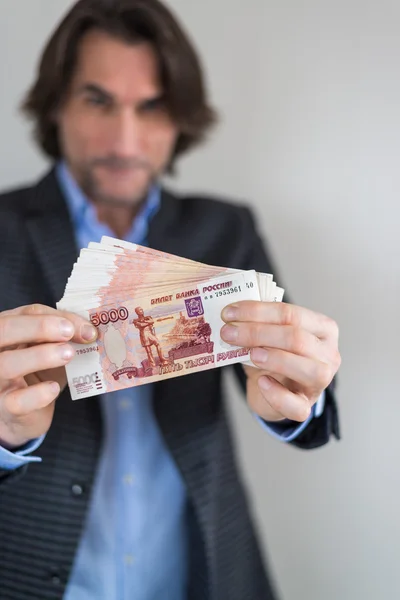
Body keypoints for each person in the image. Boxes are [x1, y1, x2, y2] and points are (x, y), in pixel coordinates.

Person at [0, 1, 341, 599]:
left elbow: (308, 408)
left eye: (151, 106)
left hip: (201, 575)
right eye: (98, 100)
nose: (125, 140)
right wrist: (5, 436)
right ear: (57, 105)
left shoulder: (225, 231)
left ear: (181, 117)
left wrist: (296, 399)